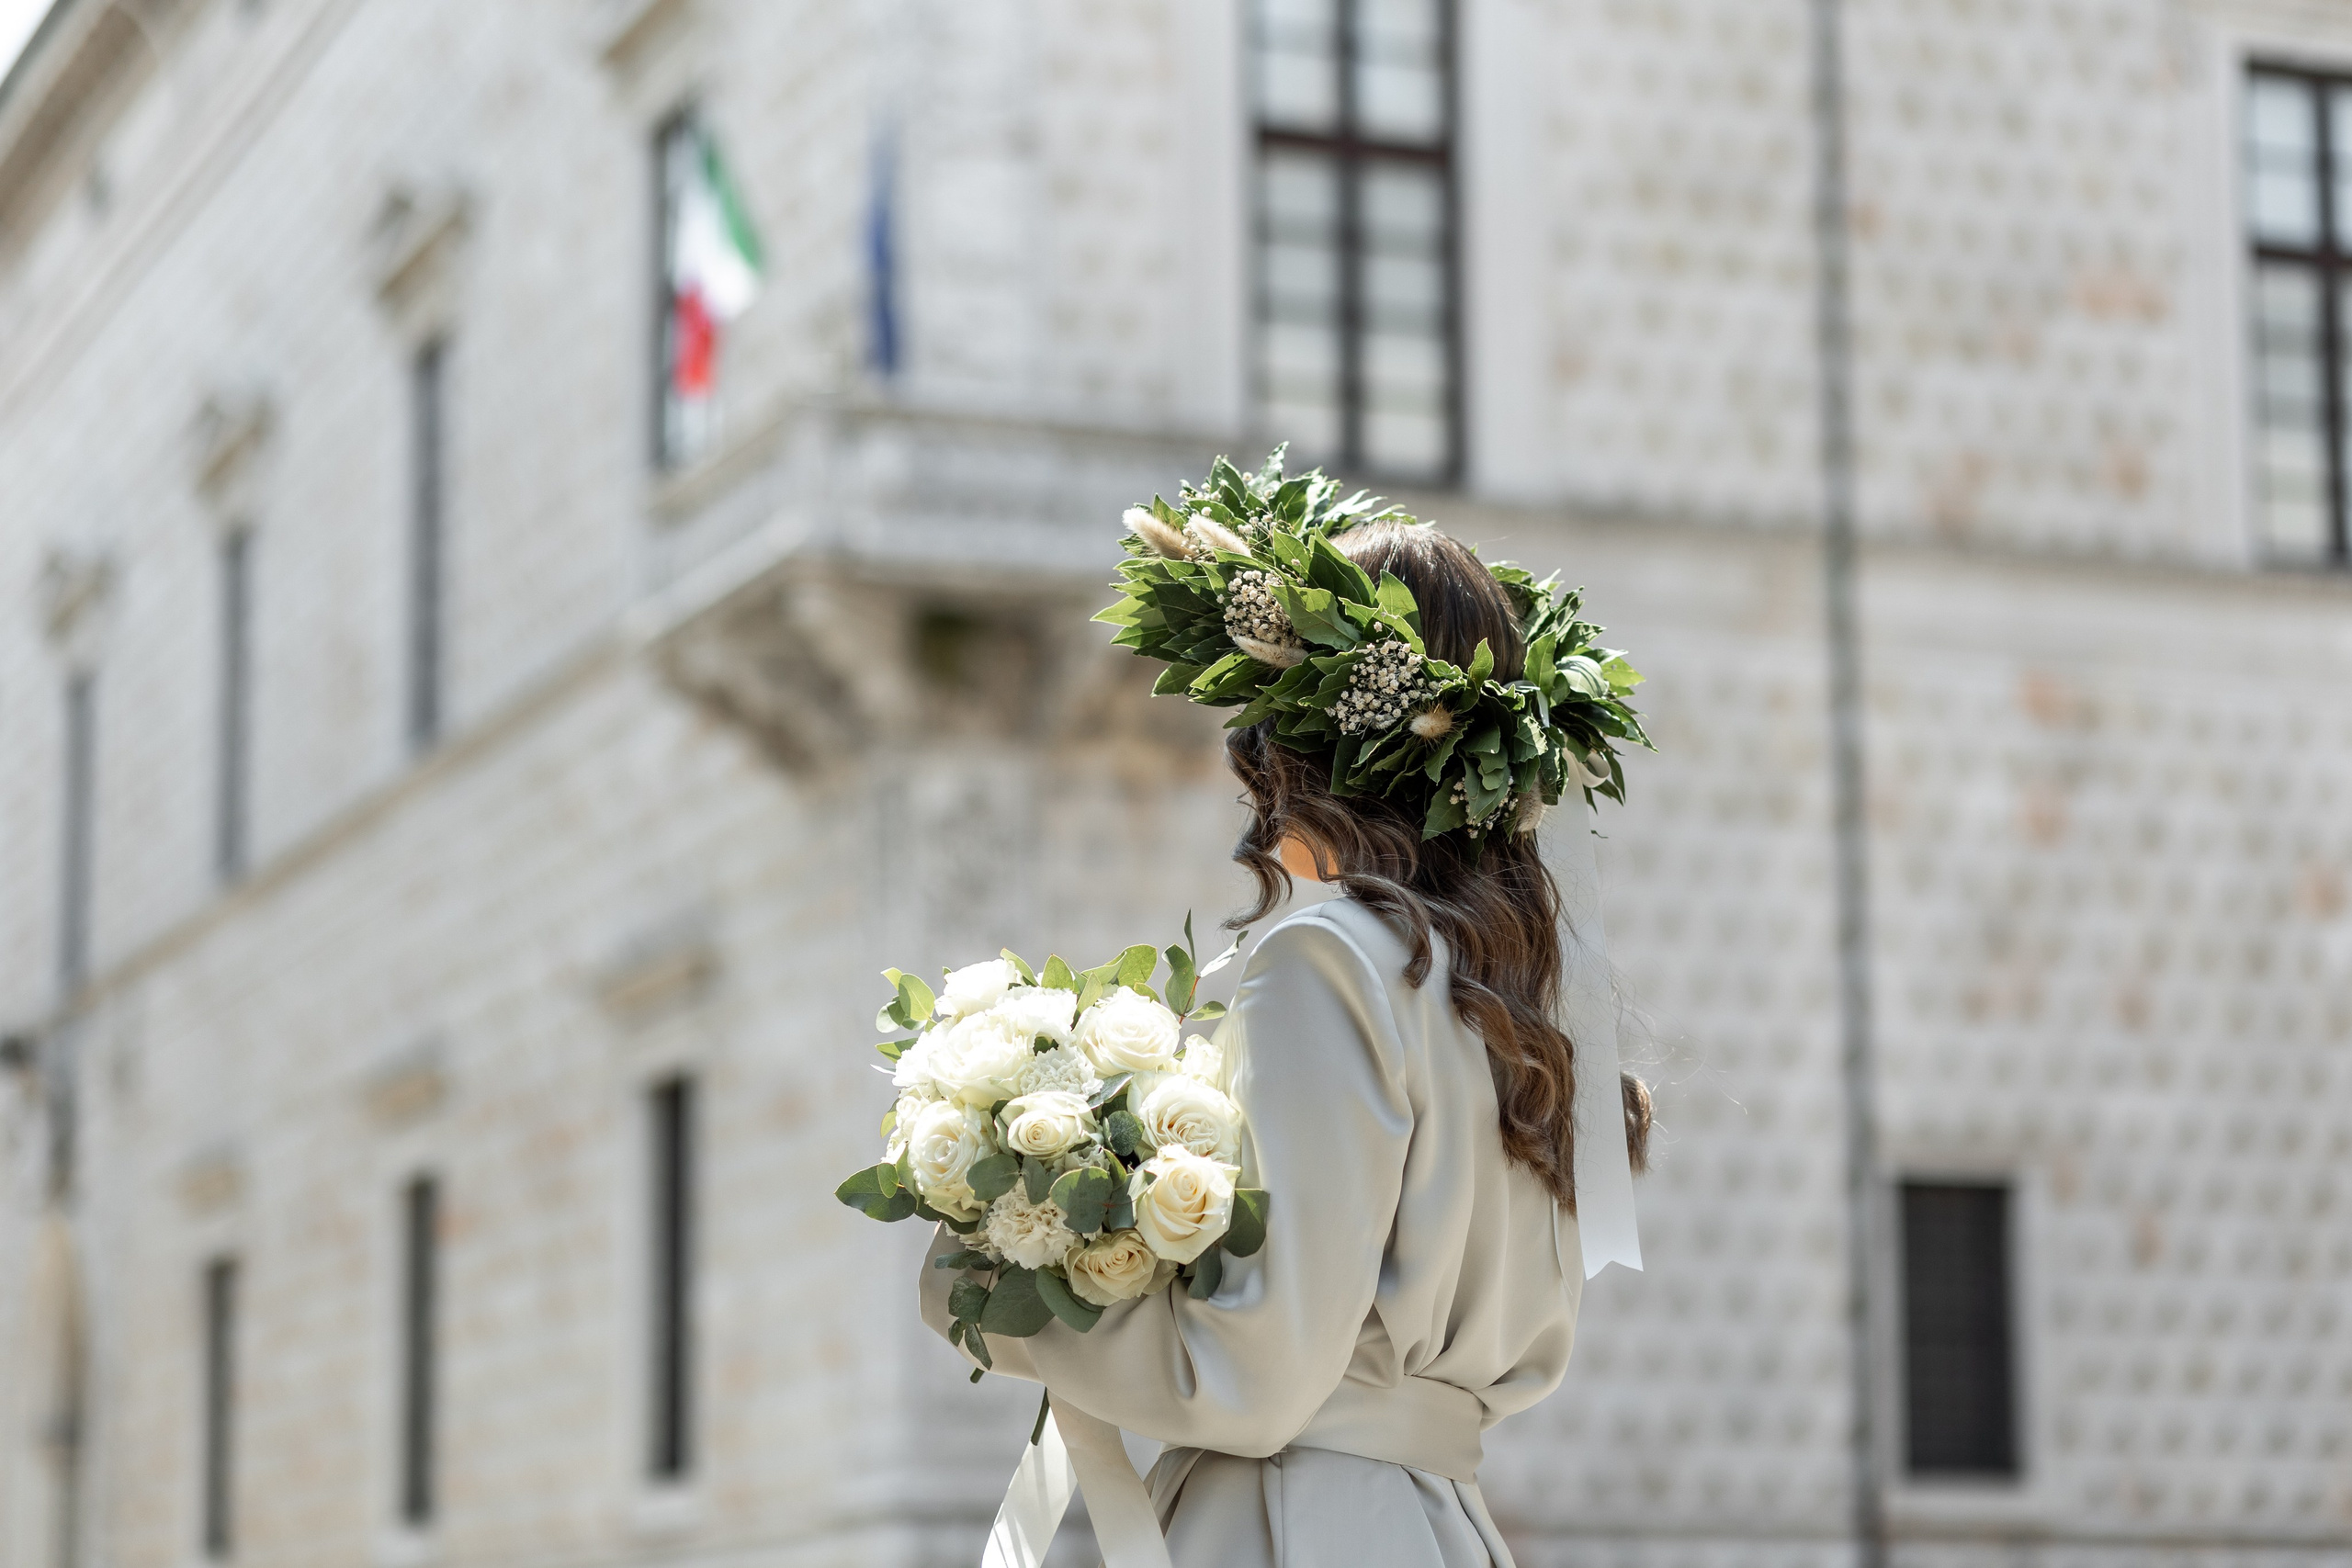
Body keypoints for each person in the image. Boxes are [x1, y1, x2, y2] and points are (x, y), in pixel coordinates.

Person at [922, 477, 1653, 1567]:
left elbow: (1255, 1378)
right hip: (1440, 1527)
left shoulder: (1327, 959)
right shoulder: (1527, 1006)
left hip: (1287, 1522)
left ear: (1305, 744)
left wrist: (1000, 1287)